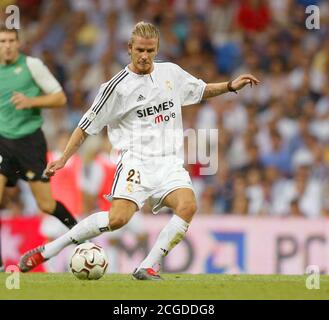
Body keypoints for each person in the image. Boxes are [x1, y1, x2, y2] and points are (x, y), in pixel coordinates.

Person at [19, 21, 259, 280]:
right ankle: (49, 250)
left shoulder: (171, 73)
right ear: (130, 48)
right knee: (118, 219)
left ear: (157, 50)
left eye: (150, 51)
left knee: (188, 206)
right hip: (137, 163)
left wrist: (230, 86)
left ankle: (148, 265)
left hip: (169, 162)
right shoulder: (116, 88)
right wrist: (64, 157)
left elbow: (200, 90)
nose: (145, 56)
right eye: (140, 50)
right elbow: (86, 126)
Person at [0, 26, 78, 271]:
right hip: (3, 141)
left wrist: (31, 101)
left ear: (19, 42)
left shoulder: (32, 66)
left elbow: (60, 97)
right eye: (3, 41)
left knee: (45, 204)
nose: (8, 45)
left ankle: (80, 234)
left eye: (12, 40)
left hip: (30, 142)